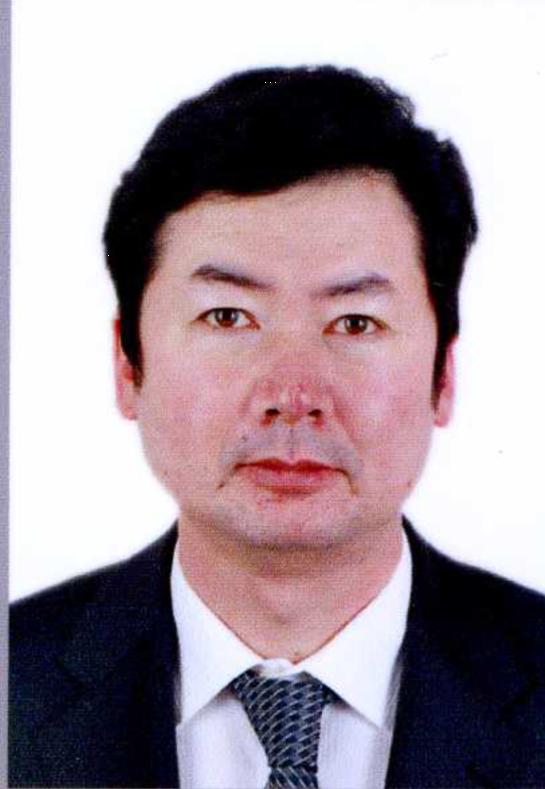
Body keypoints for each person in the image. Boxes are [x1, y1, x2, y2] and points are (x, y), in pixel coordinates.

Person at [9, 65, 545, 789]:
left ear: (442, 374)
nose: (293, 395)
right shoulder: (14, 681)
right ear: (127, 365)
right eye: (228, 317)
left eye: (355, 322)